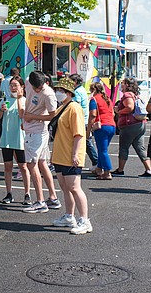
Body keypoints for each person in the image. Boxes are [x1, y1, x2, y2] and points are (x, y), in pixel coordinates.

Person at [50, 78, 92, 235]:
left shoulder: (74, 108)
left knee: (74, 187)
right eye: (57, 90)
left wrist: (75, 154)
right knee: (65, 187)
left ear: (68, 93)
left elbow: (79, 134)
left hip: (70, 155)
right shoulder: (62, 107)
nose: (57, 93)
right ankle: (69, 216)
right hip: (61, 154)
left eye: (60, 90)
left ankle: (84, 220)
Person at [21, 71, 61, 213]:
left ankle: (40, 201)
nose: (37, 90)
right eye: (35, 87)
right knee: (42, 163)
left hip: (37, 132)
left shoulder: (49, 94)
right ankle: (53, 197)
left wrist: (33, 116)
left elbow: (52, 116)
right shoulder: (28, 82)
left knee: (32, 165)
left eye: (39, 87)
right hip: (31, 129)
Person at [0, 76, 31, 205]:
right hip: (6, 137)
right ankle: (9, 193)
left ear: (22, 87)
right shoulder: (5, 100)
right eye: (11, 85)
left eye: (15, 85)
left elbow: (22, 115)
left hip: (20, 137)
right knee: (8, 166)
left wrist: (18, 99)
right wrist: (1, 110)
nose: (13, 87)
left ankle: (27, 193)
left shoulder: (25, 101)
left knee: (23, 166)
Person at [112, 78, 151, 177]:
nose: (121, 85)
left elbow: (129, 107)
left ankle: (120, 170)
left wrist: (118, 111)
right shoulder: (135, 95)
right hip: (140, 123)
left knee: (123, 147)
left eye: (122, 83)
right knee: (140, 148)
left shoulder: (127, 95)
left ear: (126, 84)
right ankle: (149, 170)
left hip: (129, 124)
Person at [87, 82, 116, 180]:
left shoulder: (94, 100)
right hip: (112, 125)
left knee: (102, 150)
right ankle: (99, 168)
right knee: (102, 149)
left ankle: (107, 172)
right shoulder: (107, 99)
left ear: (93, 90)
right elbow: (113, 114)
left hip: (101, 126)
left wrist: (88, 129)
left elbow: (93, 115)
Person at [69, 73, 98, 169]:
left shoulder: (77, 92)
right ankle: (95, 161)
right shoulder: (82, 90)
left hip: (82, 120)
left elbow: (76, 105)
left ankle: (96, 161)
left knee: (86, 142)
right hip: (84, 119)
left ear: (75, 82)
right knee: (86, 142)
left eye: (71, 81)